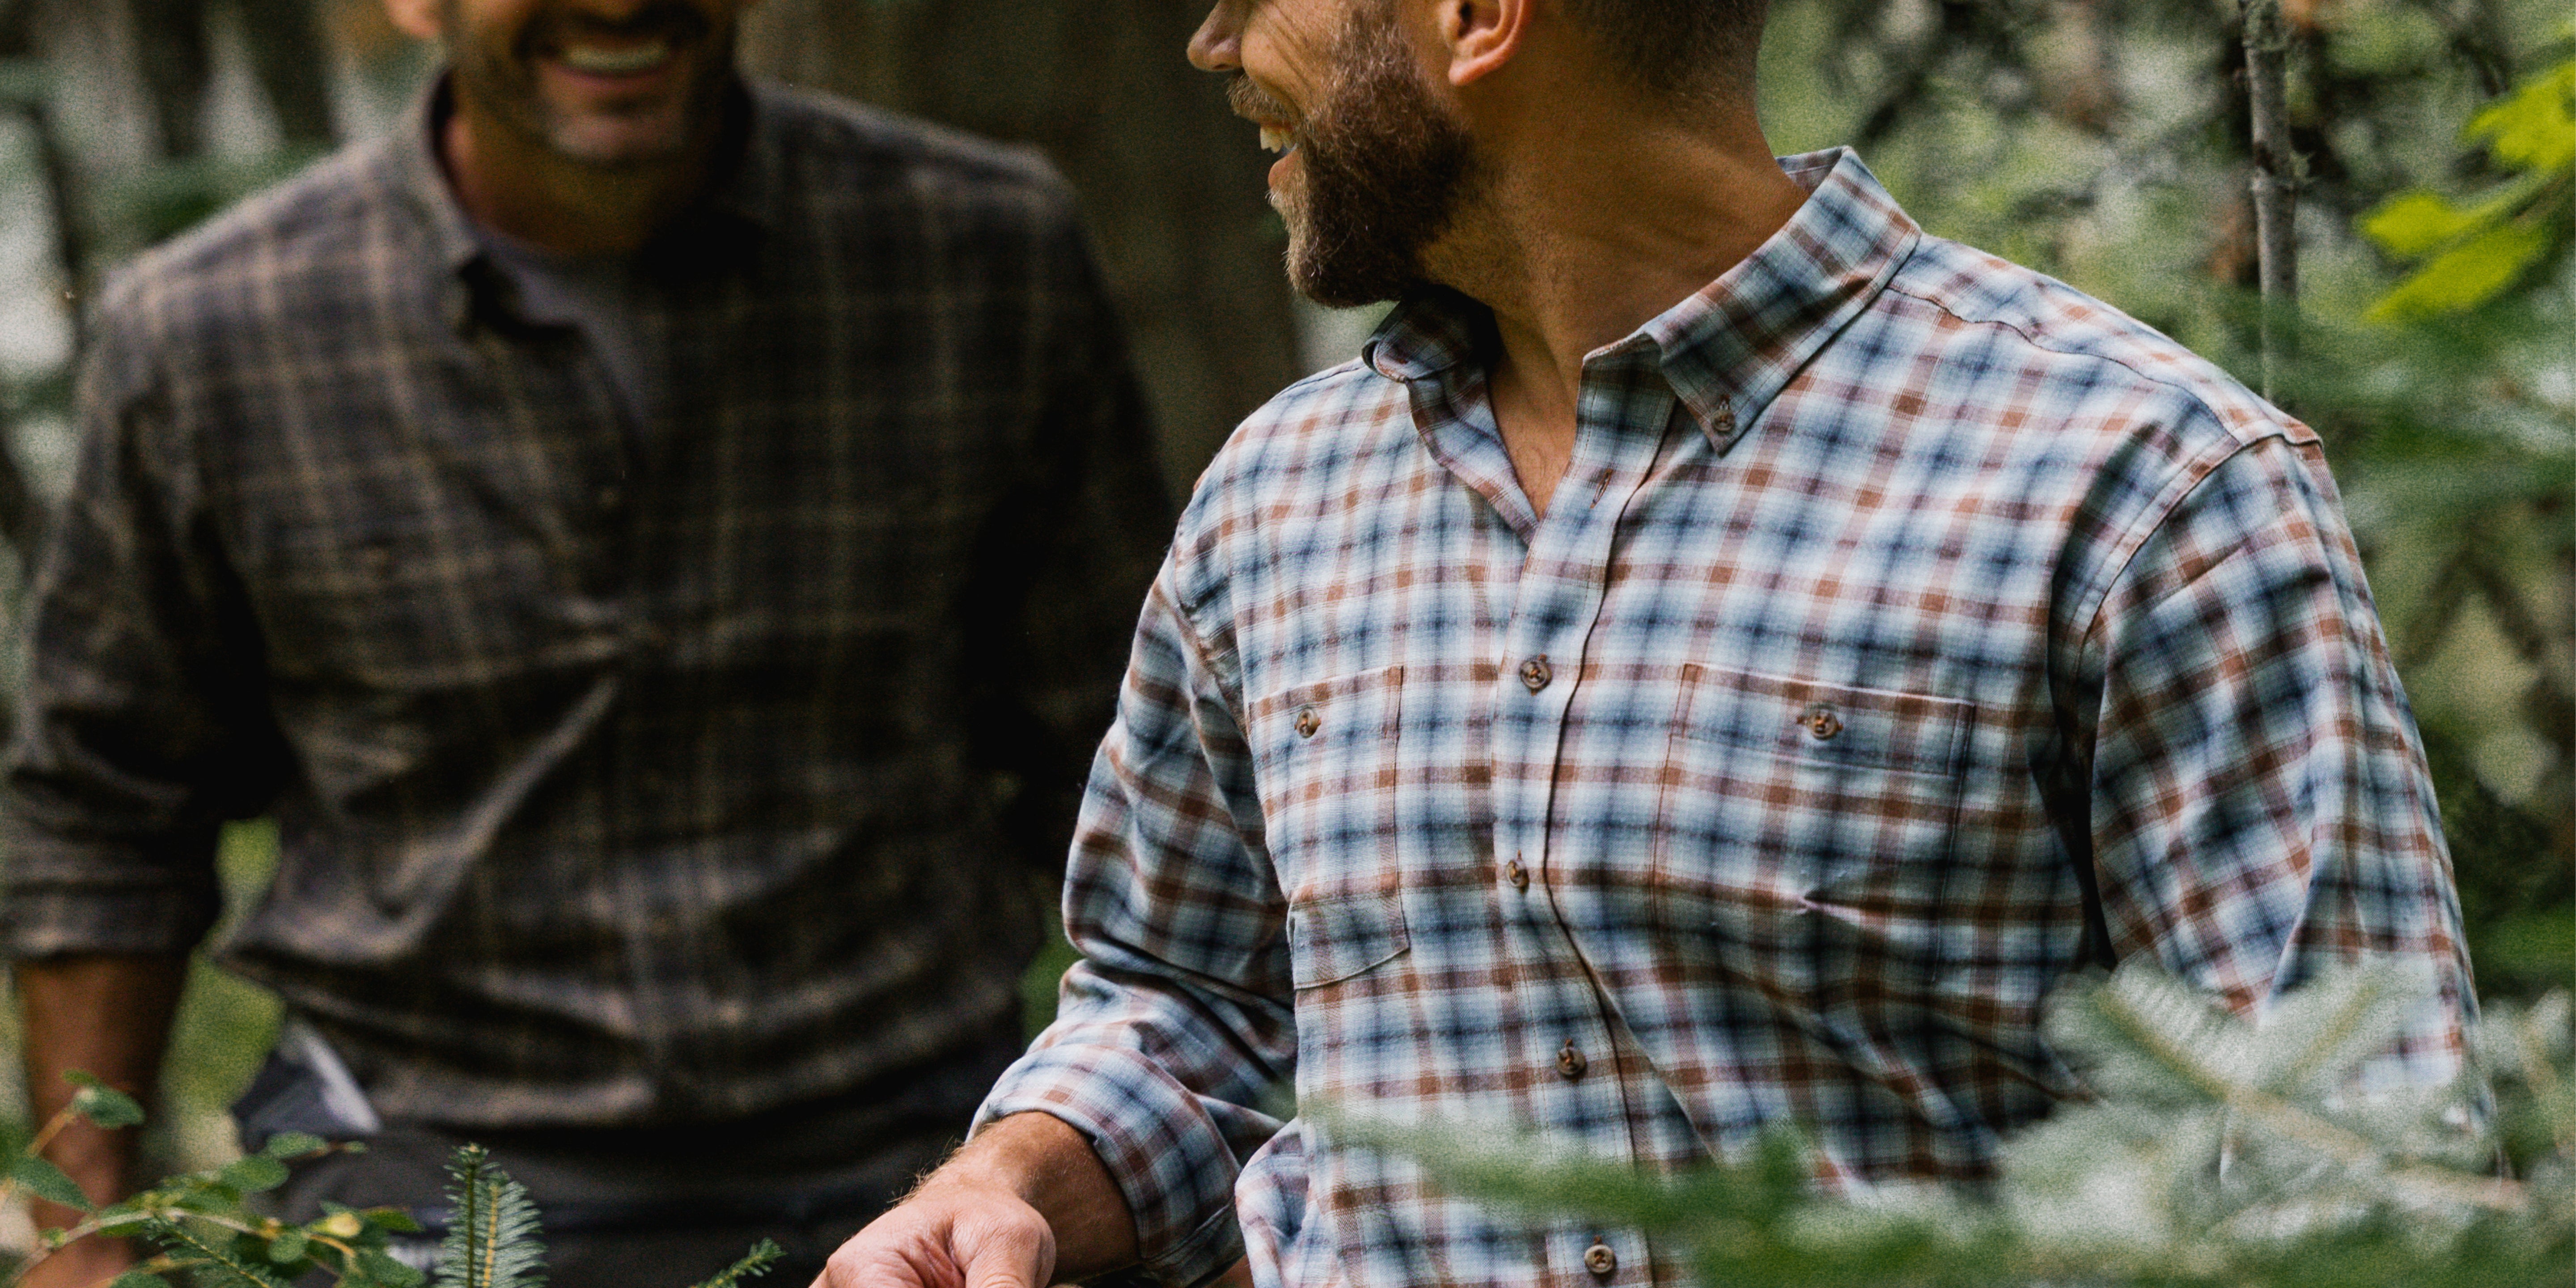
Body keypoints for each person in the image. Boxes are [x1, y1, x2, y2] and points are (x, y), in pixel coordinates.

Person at [814, 0, 2478, 1284]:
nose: (1215, 44)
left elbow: (2344, 1164)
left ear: (1478, 20)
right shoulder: (1278, 495)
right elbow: (1193, 1000)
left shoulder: (2146, 487)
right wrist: (1002, 1186)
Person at [1, 1, 1172, 1285]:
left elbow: (1138, 748)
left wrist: (1179, 1156)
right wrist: (82, 1234)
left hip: (910, 1154)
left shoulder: (978, 253)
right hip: (402, 1170)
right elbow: (105, 808)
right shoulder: (211, 330)